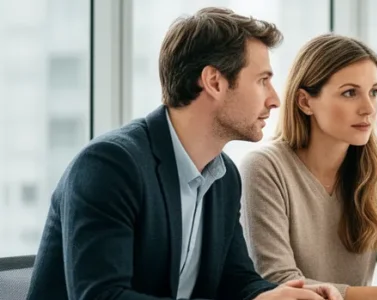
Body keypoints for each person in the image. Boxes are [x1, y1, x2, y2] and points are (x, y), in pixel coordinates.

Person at [27, 7, 340, 300]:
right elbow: (102, 296)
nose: (274, 100)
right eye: (262, 81)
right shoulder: (110, 166)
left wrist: (270, 295)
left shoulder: (223, 176)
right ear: (214, 82)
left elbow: (237, 279)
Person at [238, 33, 377, 300]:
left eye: (374, 92)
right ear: (305, 102)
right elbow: (280, 282)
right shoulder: (263, 168)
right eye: (350, 93)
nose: (368, 108)